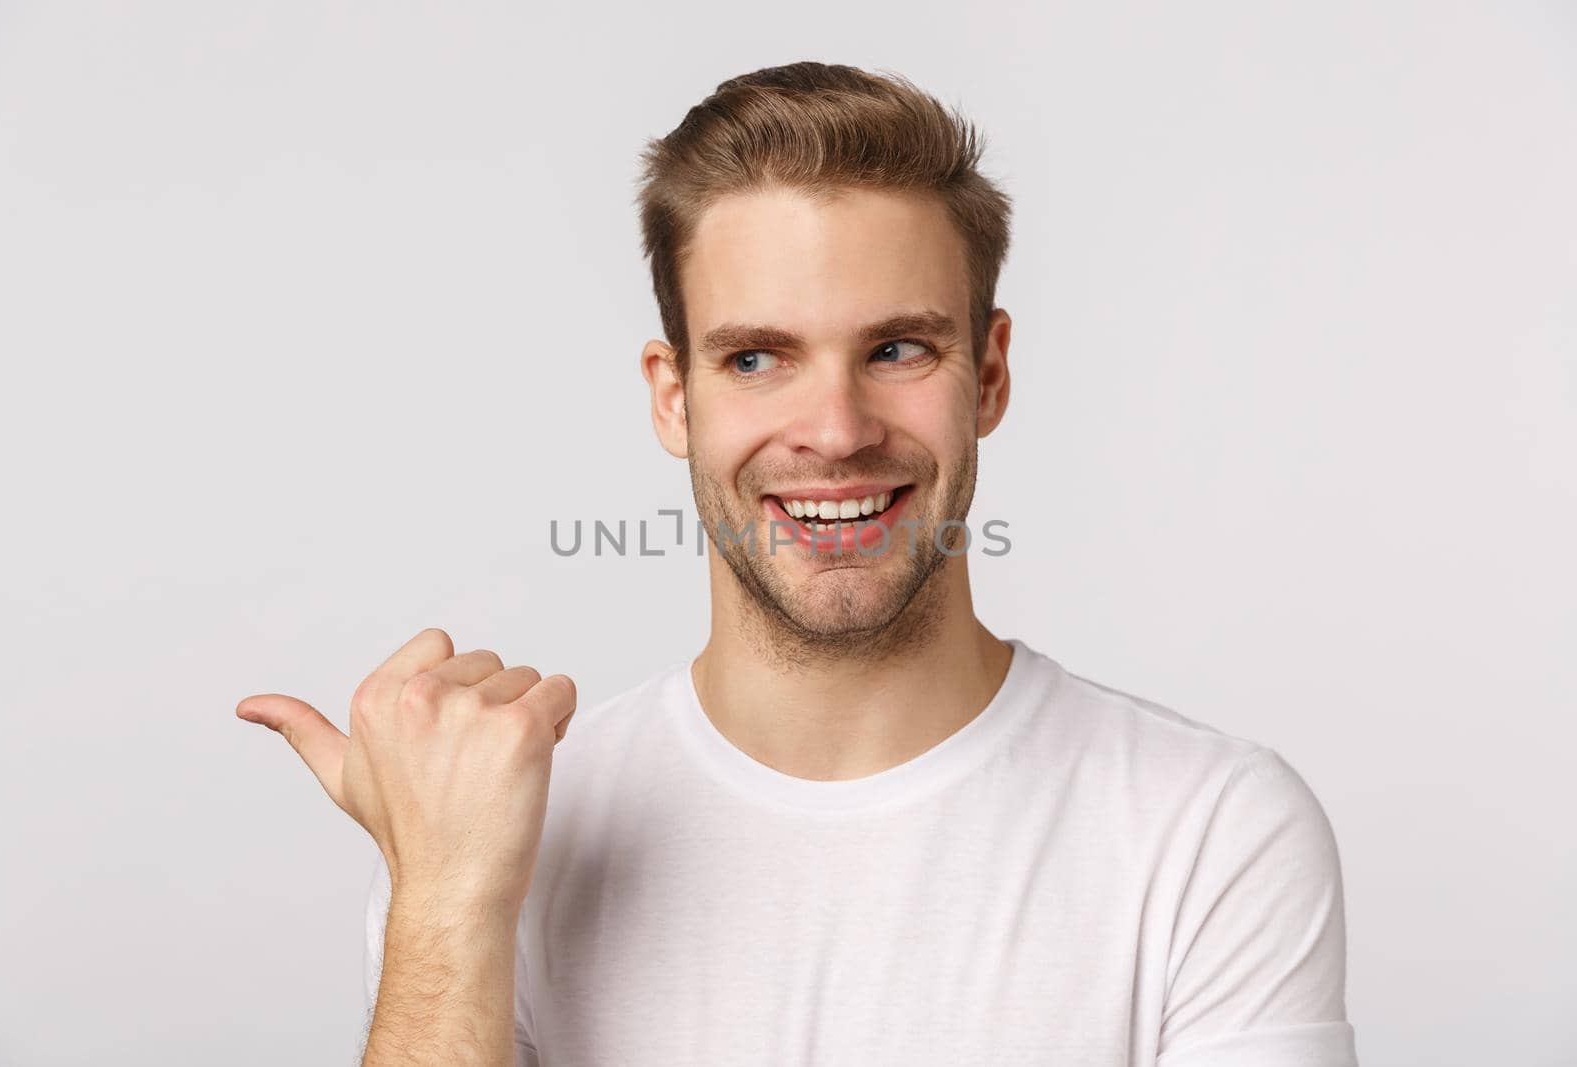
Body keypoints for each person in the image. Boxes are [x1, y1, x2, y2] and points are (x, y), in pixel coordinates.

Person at [237, 61, 1358, 1066]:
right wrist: (442, 899)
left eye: (897, 348)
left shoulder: (1206, 827)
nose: (833, 428)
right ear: (675, 396)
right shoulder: (492, 830)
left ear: (990, 374)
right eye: (758, 357)